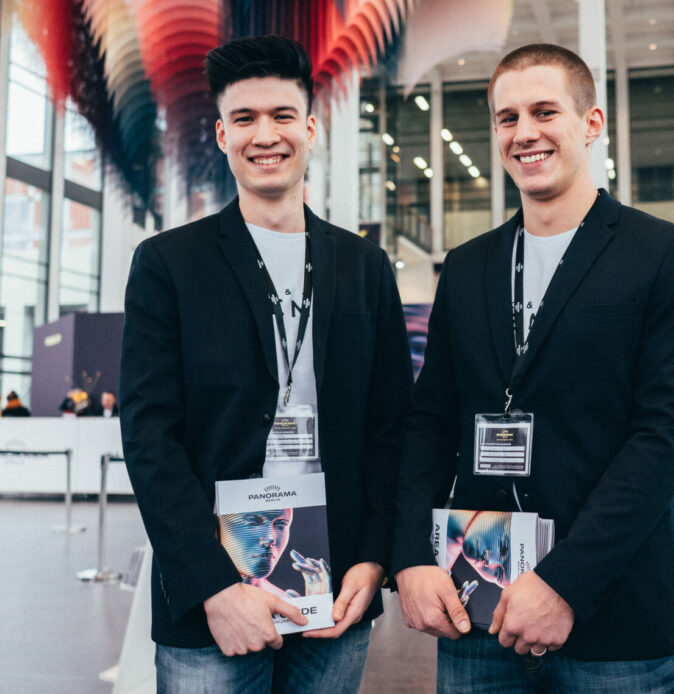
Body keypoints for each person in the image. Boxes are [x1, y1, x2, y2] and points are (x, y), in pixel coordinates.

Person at [391, 44, 674, 693]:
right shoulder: (469, 266)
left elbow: (666, 434)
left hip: (612, 620)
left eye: (544, 112)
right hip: (479, 609)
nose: (524, 133)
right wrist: (411, 557)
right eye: (507, 118)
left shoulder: (662, 253)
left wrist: (563, 582)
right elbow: (431, 422)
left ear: (591, 123)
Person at [119, 35, 412, 694]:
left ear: (310, 129)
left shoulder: (364, 267)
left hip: (335, 587)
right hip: (214, 598)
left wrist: (374, 559)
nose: (265, 135)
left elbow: (390, 428)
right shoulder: (169, 264)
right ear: (223, 135)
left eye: (282, 115)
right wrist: (214, 588)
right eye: (245, 118)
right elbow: (149, 436)